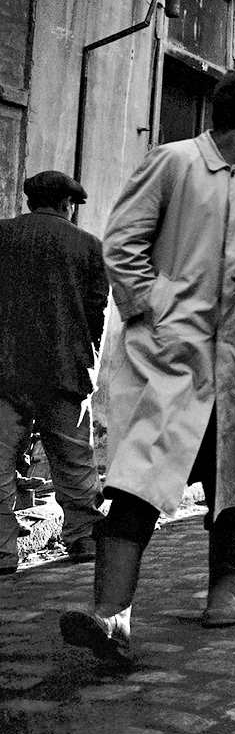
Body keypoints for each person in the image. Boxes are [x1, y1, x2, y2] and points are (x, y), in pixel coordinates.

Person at [60, 70, 235, 664]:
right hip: (172, 361)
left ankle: (225, 589)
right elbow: (123, 244)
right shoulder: (173, 163)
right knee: (137, 484)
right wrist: (155, 313)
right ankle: (111, 617)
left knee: (231, 485)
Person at [0, 171, 108, 575]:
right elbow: (97, 315)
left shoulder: (2, 236)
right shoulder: (89, 246)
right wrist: (87, 364)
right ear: (68, 204)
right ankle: (84, 538)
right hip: (65, 372)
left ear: (30, 201)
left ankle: (2, 553)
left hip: (6, 371)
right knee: (74, 461)